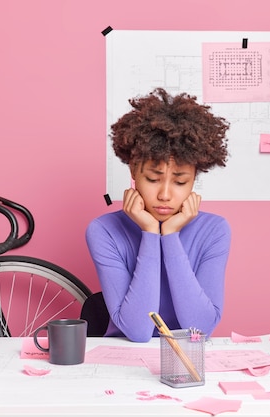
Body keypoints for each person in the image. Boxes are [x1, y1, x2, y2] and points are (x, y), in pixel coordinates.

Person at [85, 88, 231, 342]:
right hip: (122, 361)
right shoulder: (104, 230)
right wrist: (150, 233)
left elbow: (201, 330)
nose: (165, 194)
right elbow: (139, 331)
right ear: (133, 171)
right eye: (153, 179)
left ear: (194, 178)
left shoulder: (214, 230)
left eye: (180, 181)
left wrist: (171, 235)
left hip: (187, 363)